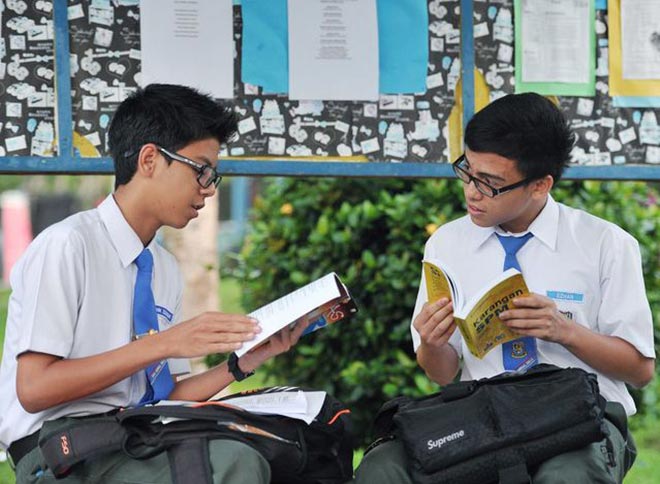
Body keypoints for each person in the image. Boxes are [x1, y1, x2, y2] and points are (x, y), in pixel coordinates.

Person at [0, 84, 309, 484]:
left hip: (130, 434)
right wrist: (163, 343)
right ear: (150, 159)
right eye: (201, 169)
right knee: (231, 461)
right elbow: (35, 388)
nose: (209, 188)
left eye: (213, 174)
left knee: (286, 450)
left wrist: (242, 363)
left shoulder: (162, 267)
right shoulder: (68, 245)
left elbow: (163, 397)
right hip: (58, 449)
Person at [354, 92, 655, 483]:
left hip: (579, 416)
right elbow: (443, 373)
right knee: (383, 467)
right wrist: (431, 343)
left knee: (567, 475)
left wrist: (564, 331)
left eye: (490, 183)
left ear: (540, 185)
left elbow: (639, 369)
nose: (471, 192)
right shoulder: (447, 244)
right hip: (481, 415)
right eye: (467, 170)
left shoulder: (605, 245)